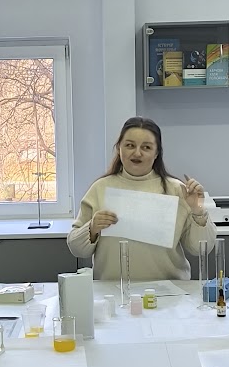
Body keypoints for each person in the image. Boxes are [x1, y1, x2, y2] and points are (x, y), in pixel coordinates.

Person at [67, 116, 216, 280]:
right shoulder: (100, 188)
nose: (137, 153)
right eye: (130, 145)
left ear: (156, 153)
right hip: (112, 290)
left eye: (146, 147)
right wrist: (92, 228)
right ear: (119, 148)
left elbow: (201, 249)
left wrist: (198, 210)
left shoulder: (177, 190)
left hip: (169, 290)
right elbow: (76, 249)